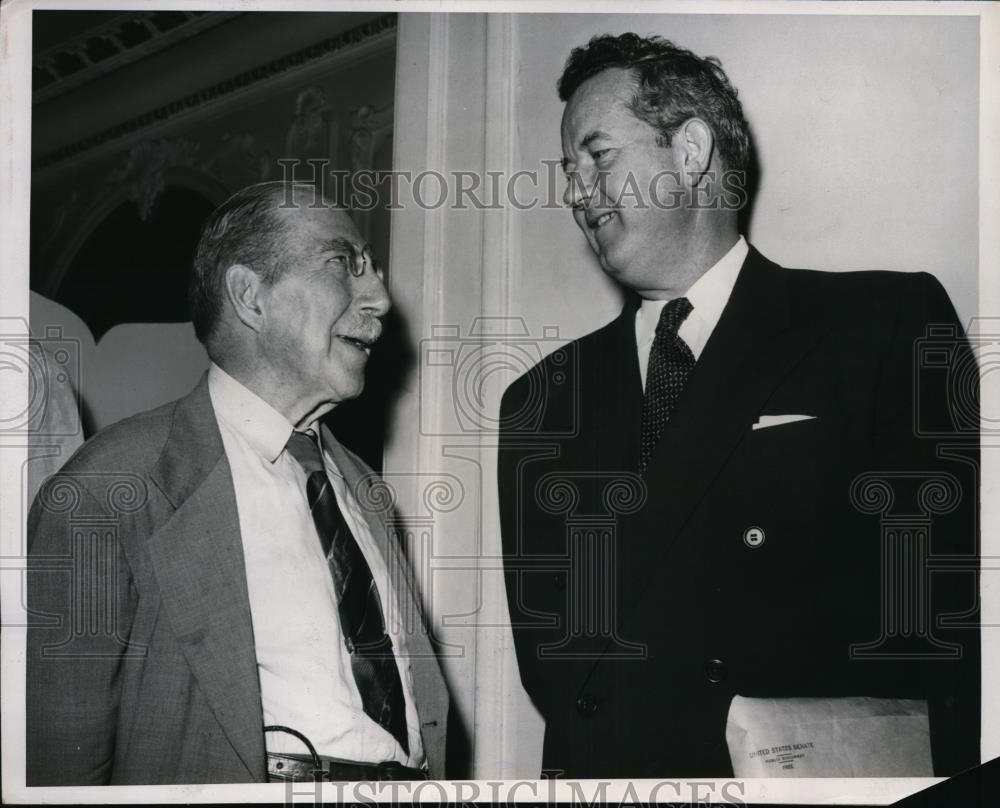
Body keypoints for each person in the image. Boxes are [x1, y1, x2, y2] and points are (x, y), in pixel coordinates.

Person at [499, 34, 979, 778]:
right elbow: (557, 665)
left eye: (596, 158)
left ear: (690, 151)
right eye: (567, 171)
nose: (573, 193)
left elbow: (936, 632)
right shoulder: (540, 398)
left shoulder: (884, 323)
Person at [26, 182, 448, 785]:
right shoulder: (112, 487)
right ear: (251, 297)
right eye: (343, 264)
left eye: (374, 270)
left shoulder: (363, 492)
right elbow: (58, 764)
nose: (380, 297)